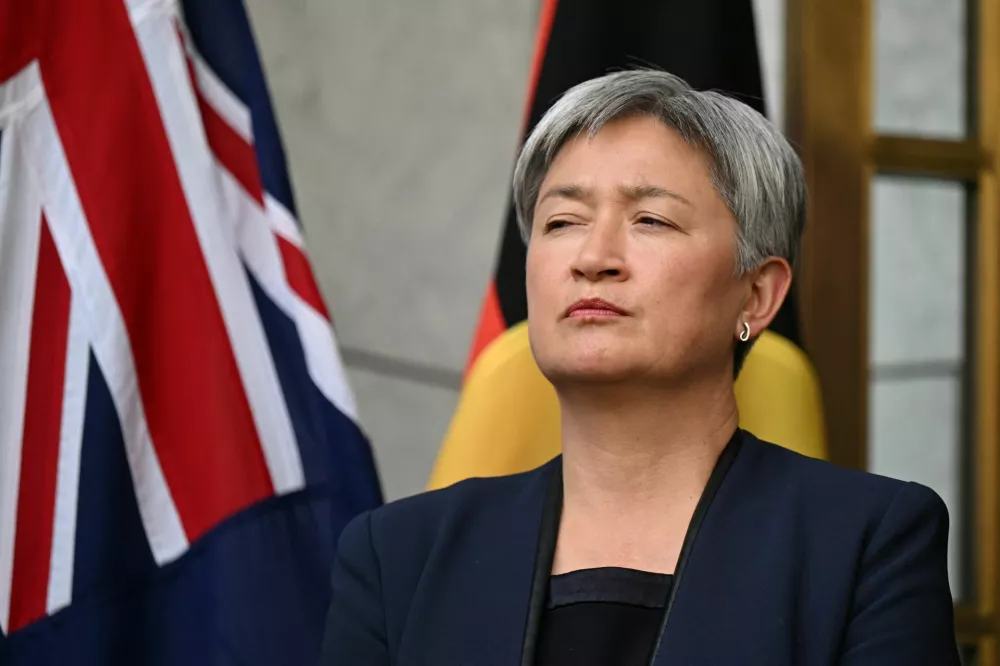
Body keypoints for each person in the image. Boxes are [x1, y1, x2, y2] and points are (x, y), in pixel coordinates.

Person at [318, 69, 959, 665]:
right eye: (562, 221)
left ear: (757, 295)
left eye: (650, 219)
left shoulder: (865, 543)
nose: (593, 257)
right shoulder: (398, 555)